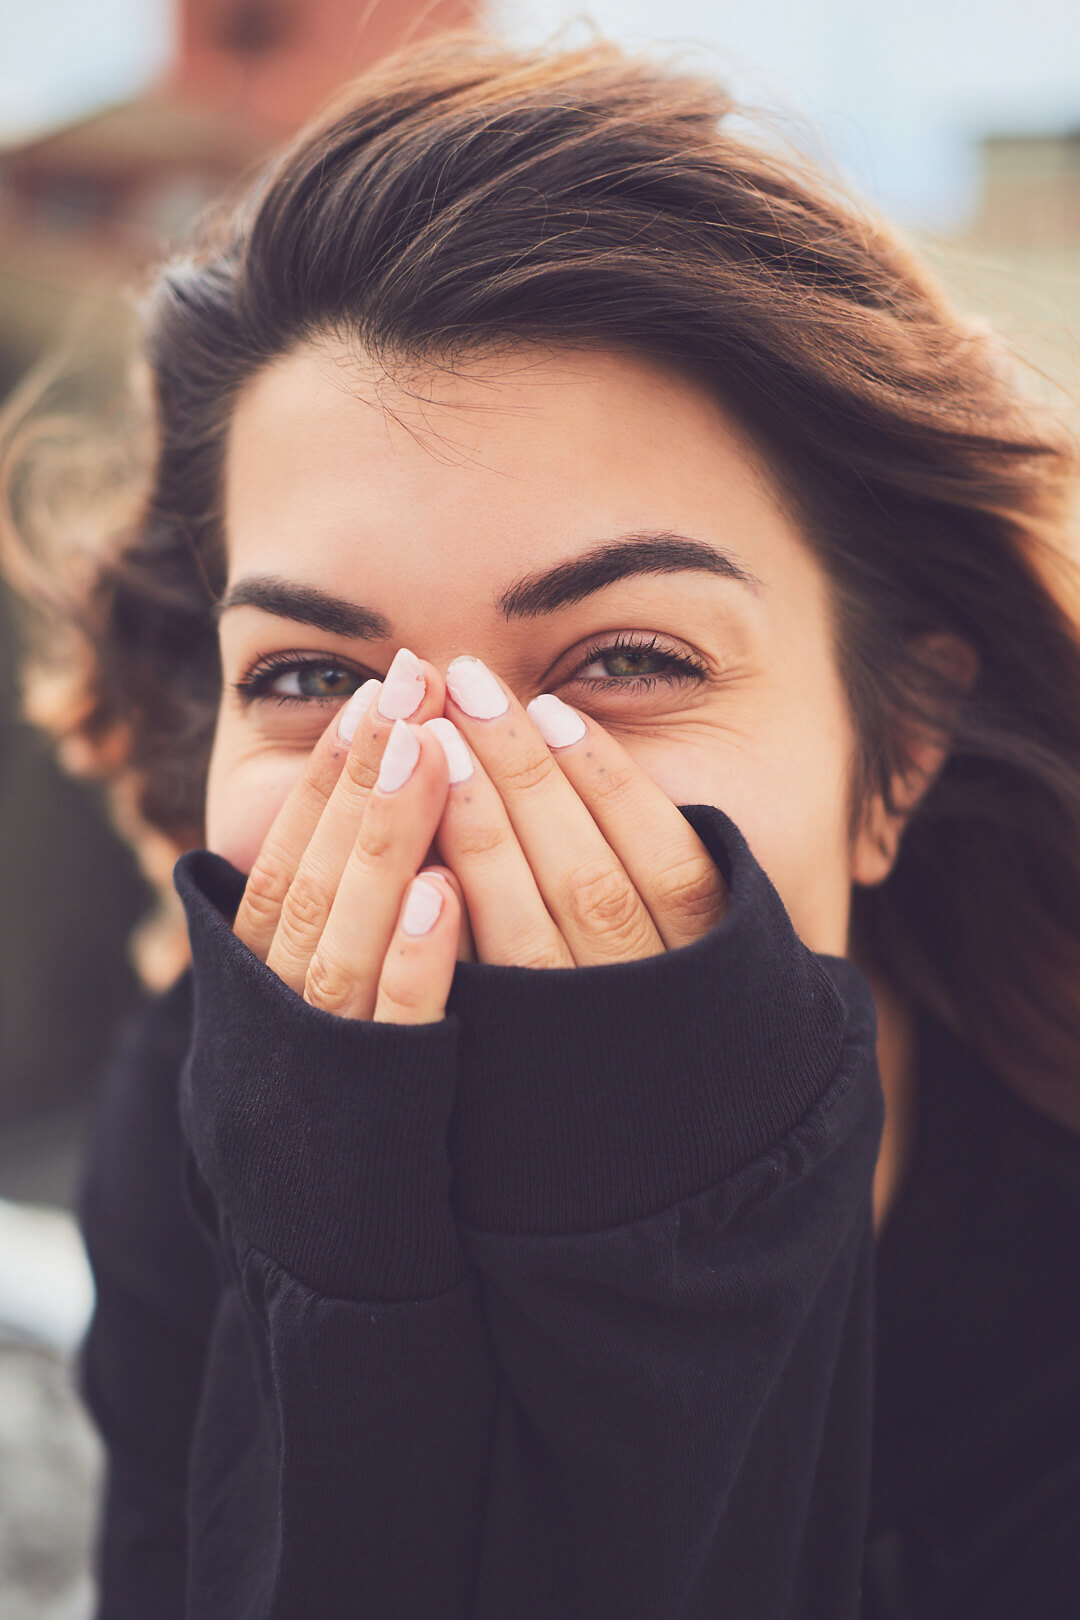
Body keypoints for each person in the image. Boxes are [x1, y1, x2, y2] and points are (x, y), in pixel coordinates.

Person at [3, 27, 1079, 1620]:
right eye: (309, 674)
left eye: (629, 662)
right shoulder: (196, 1128)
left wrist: (666, 1261)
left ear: (899, 746)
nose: (444, 788)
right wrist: (328, 1281)